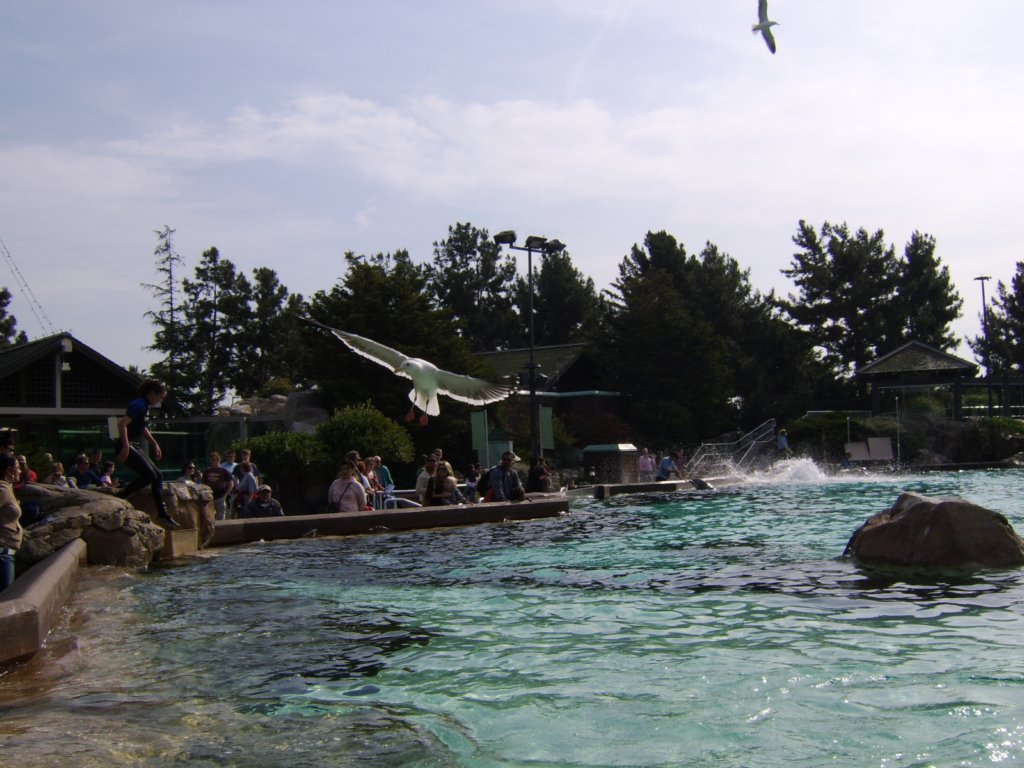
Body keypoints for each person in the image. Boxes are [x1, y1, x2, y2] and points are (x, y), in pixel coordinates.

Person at [115, 378, 179, 529]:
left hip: (133, 444)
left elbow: (141, 427)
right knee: (149, 475)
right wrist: (125, 447)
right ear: (152, 393)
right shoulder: (139, 404)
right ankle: (122, 494)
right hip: (126, 445)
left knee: (158, 475)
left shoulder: (145, 406)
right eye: (160, 396)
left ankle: (163, 514)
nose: (161, 400)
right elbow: (122, 424)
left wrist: (154, 443)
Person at [1, 452, 24, 592]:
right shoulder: (2, 489)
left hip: (6, 555)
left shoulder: (7, 487)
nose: (20, 471)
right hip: (2, 556)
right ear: (9, 470)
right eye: (18, 467)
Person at [201, 452, 235, 521]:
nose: (214, 461)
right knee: (209, 518)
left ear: (219, 459)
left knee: (221, 518)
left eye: (216, 459)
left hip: (220, 497)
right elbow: (203, 484)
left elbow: (231, 483)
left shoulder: (224, 470)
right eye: (212, 459)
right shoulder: (206, 471)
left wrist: (225, 495)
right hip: (209, 497)